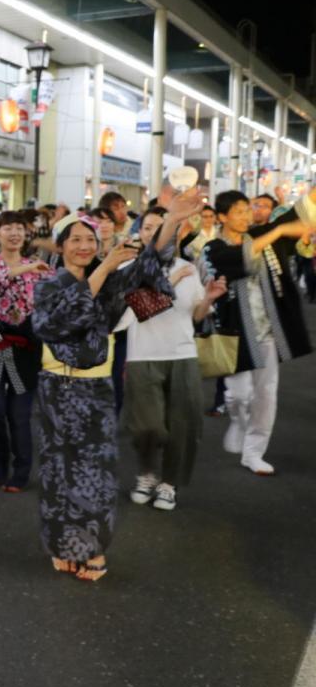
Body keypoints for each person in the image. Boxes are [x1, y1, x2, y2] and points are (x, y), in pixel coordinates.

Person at [31, 191, 200, 582]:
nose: (84, 245)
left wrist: (171, 221)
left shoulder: (111, 280)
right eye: (75, 239)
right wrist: (104, 267)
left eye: (91, 239)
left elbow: (148, 264)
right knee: (59, 472)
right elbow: (52, 324)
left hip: (95, 392)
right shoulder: (47, 285)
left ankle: (91, 549)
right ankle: (62, 544)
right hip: (56, 389)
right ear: (60, 246)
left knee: (95, 474)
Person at [202, 189, 316, 475]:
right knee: (238, 395)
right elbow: (240, 259)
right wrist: (277, 233)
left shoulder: (263, 235)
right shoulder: (214, 247)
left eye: (247, 210)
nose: (245, 216)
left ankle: (254, 452)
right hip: (235, 333)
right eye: (238, 211)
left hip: (267, 329)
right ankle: (239, 422)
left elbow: (302, 210)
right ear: (222, 217)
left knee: (266, 393)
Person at [120, 207, 227, 511]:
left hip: (182, 353)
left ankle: (169, 483)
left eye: (162, 227)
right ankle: (146, 473)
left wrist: (207, 299)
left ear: (176, 232)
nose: (154, 233)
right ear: (139, 234)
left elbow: (196, 315)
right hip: (142, 355)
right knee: (146, 426)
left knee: (184, 425)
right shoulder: (130, 267)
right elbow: (138, 307)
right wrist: (173, 279)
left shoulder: (189, 268)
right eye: (148, 228)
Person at [0, 211, 53, 492]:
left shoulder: (40, 269)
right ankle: (1, 457)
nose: (14, 233)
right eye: (7, 228)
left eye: (19, 228)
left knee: (19, 415)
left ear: (26, 234)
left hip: (24, 352)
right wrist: (30, 268)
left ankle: (21, 470)